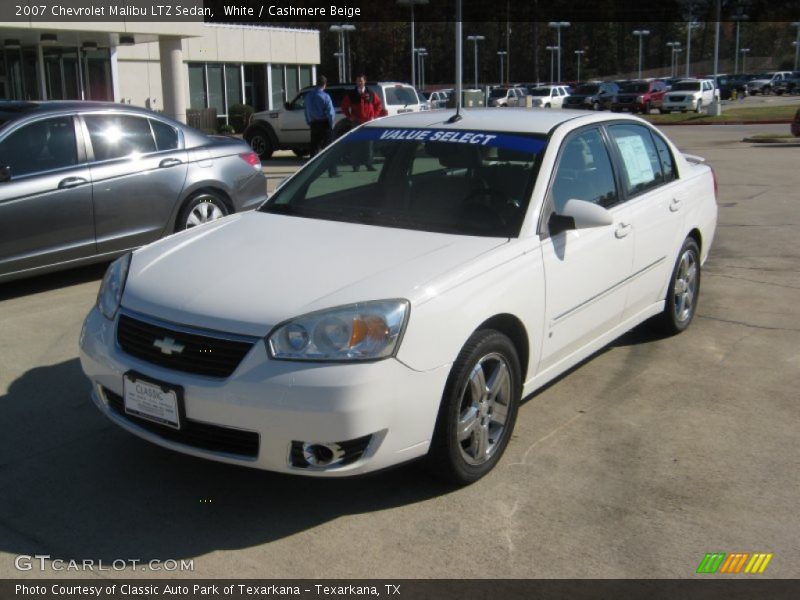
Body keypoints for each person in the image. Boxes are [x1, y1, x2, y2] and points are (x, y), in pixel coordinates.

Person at [340, 74, 384, 171]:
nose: (359, 83)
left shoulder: (371, 93)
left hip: (369, 123)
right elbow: (344, 106)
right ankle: (356, 166)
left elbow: (379, 105)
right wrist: (350, 116)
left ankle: (369, 164)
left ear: (365, 81)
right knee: (356, 144)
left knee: (369, 145)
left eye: (361, 81)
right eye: (358, 81)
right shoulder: (351, 94)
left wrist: (374, 116)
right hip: (356, 123)